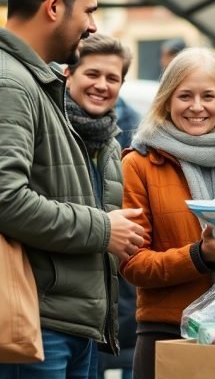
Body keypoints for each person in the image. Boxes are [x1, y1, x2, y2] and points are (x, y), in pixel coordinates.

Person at [0, 0, 146, 378]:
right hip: (32, 325)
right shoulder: (6, 84)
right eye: (88, 11)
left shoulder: (28, 79)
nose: (93, 26)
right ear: (54, 6)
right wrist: (102, 228)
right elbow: (1, 199)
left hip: (55, 322)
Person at [121, 47, 215, 379]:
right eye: (185, 96)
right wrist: (200, 255)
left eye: (208, 96)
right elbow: (133, 265)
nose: (197, 107)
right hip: (167, 333)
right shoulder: (139, 164)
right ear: (167, 100)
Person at [62, 33, 136, 379]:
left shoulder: (111, 144)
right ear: (68, 74)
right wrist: (105, 228)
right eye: (92, 74)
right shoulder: (50, 130)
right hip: (46, 315)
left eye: (112, 78)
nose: (102, 85)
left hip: (92, 321)